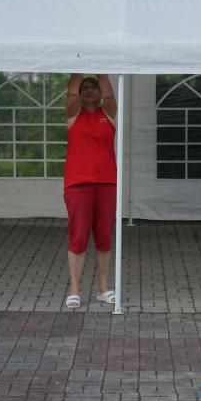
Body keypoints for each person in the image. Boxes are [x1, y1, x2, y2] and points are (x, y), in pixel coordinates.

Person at [63, 73, 118, 309]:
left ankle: (103, 289)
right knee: (79, 237)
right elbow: (71, 94)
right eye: (84, 87)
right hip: (78, 184)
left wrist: (101, 70)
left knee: (104, 237)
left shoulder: (109, 113)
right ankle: (75, 289)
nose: (88, 90)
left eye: (93, 87)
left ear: (100, 92)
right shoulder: (73, 114)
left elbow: (110, 95)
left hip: (106, 183)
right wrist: (79, 64)